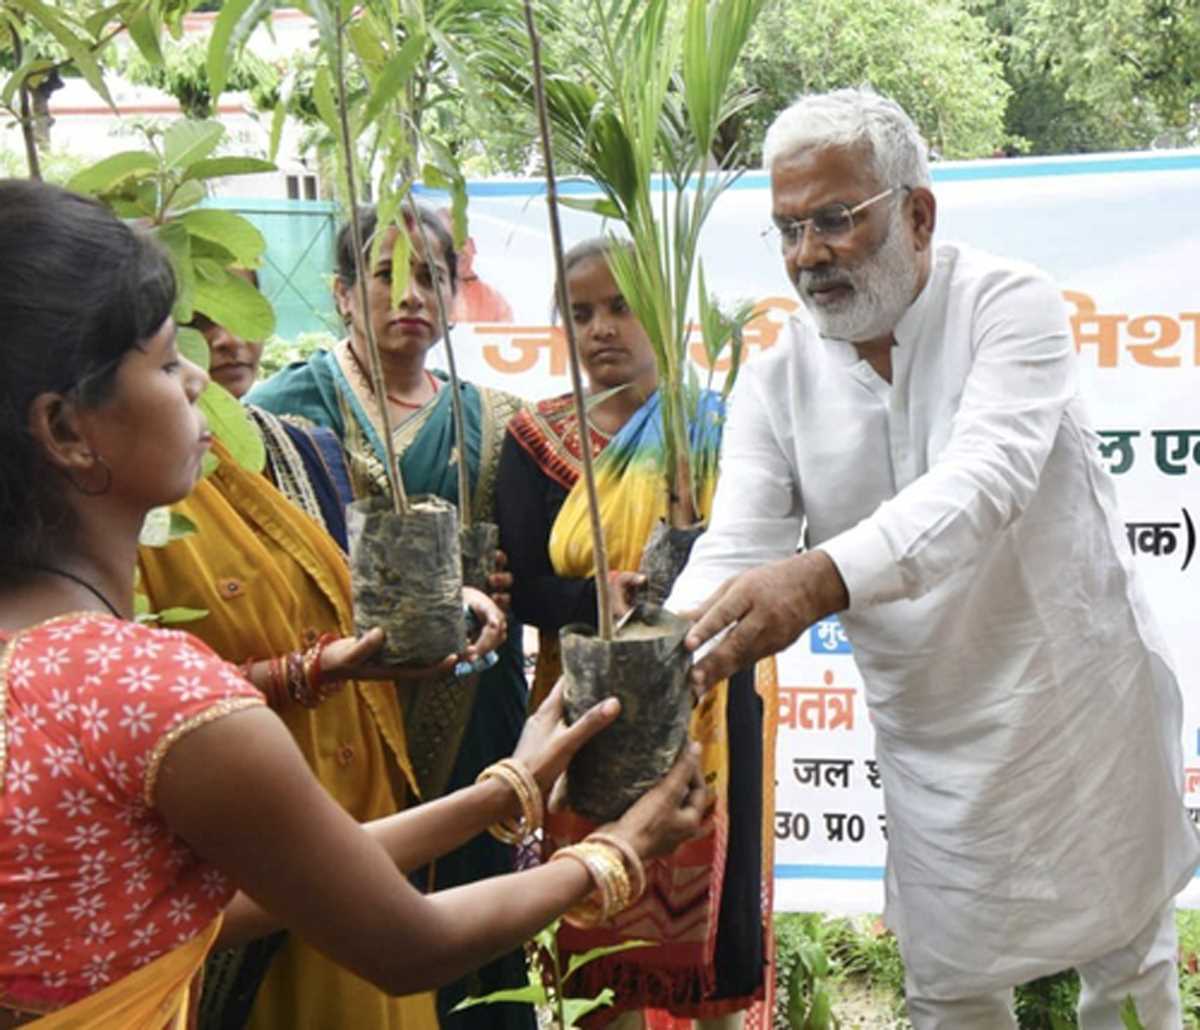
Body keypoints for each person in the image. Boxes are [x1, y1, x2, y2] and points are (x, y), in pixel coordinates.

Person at [0, 177, 708, 1029]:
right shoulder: (147, 692)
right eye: (162, 359)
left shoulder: (42, 658)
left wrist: (504, 788)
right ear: (68, 431)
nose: (196, 379)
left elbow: (238, 897)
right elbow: (407, 943)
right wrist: (616, 852)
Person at [669, 87, 1200, 1028]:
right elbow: (738, 548)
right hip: (934, 739)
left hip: (1076, 705)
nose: (808, 256)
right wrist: (652, 658)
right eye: (788, 229)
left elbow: (984, 481)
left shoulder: (1008, 305)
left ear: (917, 214)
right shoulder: (779, 374)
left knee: (1130, 977)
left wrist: (820, 577)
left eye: (835, 219)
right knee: (949, 990)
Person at [139, 287, 492, 1029]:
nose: (218, 352)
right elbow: (145, 704)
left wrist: (438, 598)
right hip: (238, 854)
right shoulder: (129, 509)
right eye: (182, 344)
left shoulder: (300, 447)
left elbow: (343, 583)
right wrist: (312, 672)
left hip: (350, 810)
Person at [247, 205, 532, 1027]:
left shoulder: (498, 416)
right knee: (345, 918)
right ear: (341, 294)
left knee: (478, 917)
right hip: (338, 707)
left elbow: (535, 561)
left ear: (454, 295)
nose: (409, 294)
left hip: (475, 709)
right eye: (384, 274)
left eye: (431, 276)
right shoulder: (281, 409)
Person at [497, 239, 769, 1029]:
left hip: (713, 699)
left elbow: (764, 548)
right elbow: (524, 590)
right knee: (597, 938)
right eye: (579, 314)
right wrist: (595, 595)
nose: (601, 329)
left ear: (660, 313)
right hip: (587, 719)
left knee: (713, 938)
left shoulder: (718, 428)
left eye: (619, 307)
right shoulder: (537, 439)